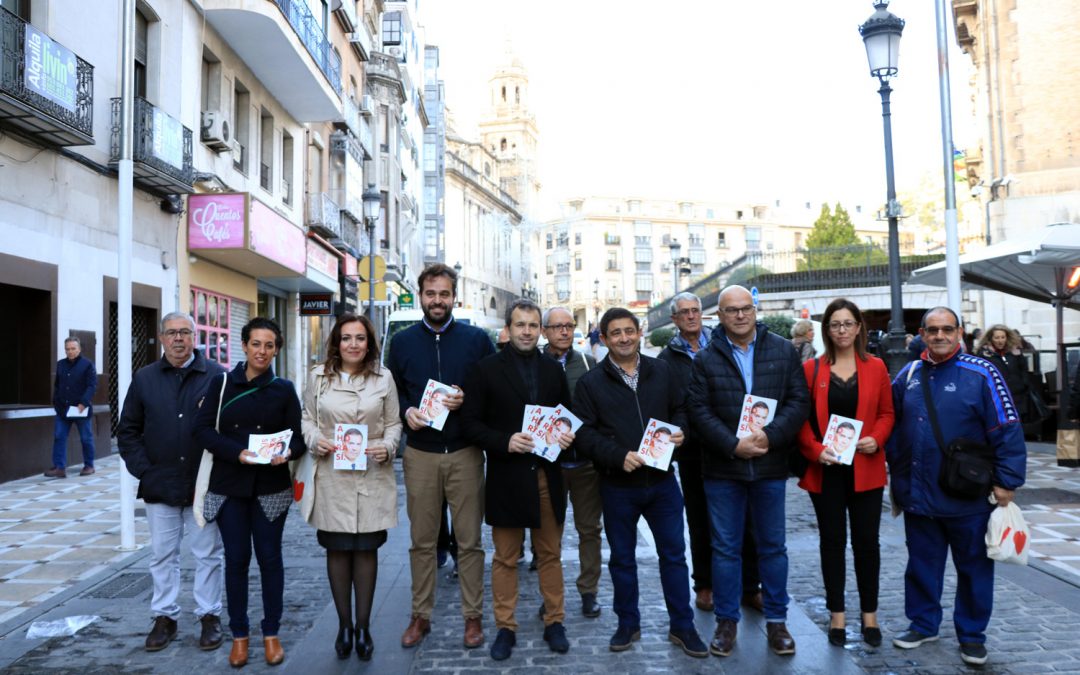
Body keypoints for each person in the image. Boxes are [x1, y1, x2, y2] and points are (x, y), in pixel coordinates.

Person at [887, 307, 1026, 667]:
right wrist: (897, 479)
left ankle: (972, 635)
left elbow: (1006, 427)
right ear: (922, 333)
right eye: (932, 330)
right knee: (921, 565)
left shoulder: (983, 373)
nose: (939, 335)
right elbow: (891, 422)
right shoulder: (910, 373)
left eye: (947, 329)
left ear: (959, 332)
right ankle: (923, 623)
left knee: (974, 569)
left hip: (967, 495)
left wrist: (1007, 480)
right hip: (919, 494)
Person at [574, 307, 709, 659]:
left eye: (629, 331)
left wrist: (681, 432)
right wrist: (616, 454)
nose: (623, 338)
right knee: (622, 559)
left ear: (639, 332)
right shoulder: (590, 382)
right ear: (603, 339)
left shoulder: (661, 370)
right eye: (615, 333)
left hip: (663, 483)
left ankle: (683, 625)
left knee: (674, 556)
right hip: (618, 485)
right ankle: (627, 623)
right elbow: (584, 434)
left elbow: (682, 408)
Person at [688, 285, 809, 657]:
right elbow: (698, 410)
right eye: (731, 310)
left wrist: (770, 436)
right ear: (719, 316)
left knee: (773, 548)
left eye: (746, 309)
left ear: (755, 311)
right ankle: (727, 622)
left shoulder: (783, 351)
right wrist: (731, 444)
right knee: (725, 548)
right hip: (723, 469)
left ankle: (777, 622)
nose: (740, 315)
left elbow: (798, 400)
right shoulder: (705, 360)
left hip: (770, 467)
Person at [386, 263, 494, 650]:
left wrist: (469, 400)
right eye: (431, 294)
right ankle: (421, 616)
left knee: (470, 542)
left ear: (454, 296)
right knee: (421, 542)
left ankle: (472, 618)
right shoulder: (401, 343)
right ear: (420, 296)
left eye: (444, 294)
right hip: (420, 455)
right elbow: (391, 391)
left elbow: (492, 392)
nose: (437, 300)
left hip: (466, 453)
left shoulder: (477, 340)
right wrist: (405, 410)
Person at [461, 298, 575, 661]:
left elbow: (566, 419)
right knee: (506, 558)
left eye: (532, 325)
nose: (526, 331)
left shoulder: (554, 371)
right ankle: (505, 627)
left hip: (546, 475)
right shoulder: (485, 370)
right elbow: (470, 424)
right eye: (520, 325)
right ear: (507, 330)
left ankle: (554, 621)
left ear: (540, 330)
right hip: (507, 476)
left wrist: (564, 434)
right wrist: (504, 441)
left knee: (550, 555)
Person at [193, 317, 305, 668]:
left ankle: (271, 632)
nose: (262, 351)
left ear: (276, 349)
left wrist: (288, 452)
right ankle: (239, 635)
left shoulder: (284, 389)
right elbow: (202, 431)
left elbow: (299, 437)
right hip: (230, 485)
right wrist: (236, 452)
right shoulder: (222, 383)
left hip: (271, 488)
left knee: (271, 560)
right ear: (244, 345)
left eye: (269, 345)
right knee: (237, 560)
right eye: (256, 343)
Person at [117, 312, 227, 652]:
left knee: (208, 553)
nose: (178, 339)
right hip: (160, 484)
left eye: (185, 332)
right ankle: (164, 616)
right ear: (162, 338)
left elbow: (230, 428)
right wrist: (145, 471)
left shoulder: (218, 377)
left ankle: (209, 615)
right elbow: (129, 430)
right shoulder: (145, 378)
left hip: (204, 485)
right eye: (171, 333)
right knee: (163, 555)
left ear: (195, 337)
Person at [301, 314, 401, 662]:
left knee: (367, 550)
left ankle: (363, 626)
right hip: (333, 474)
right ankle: (344, 625)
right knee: (338, 549)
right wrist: (316, 440)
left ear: (369, 343)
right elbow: (308, 419)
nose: (353, 344)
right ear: (336, 343)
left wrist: (387, 447)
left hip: (372, 472)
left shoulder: (383, 378)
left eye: (360, 338)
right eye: (346, 338)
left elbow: (393, 423)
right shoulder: (318, 377)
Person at [796, 298, 894, 648]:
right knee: (832, 543)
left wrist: (876, 439)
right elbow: (802, 421)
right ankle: (837, 614)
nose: (841, 330)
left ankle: (870, 615)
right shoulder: (812, 370)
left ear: (858, 328)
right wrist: (816, 450)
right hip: (827, 470)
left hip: (865, 468)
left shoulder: (877, 367)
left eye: (847, 323)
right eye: (834, 324)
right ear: (826, 330)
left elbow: (886, 413)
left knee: (868, 544)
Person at [657, 292, 762, 615]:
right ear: (674, 320)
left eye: (695, 311)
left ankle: (749, 586)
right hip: (692, 450)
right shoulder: (667, 358)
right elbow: (669, 403)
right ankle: (704, 584)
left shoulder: (722, 344)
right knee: (700, 519)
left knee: (745, 519)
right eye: (684, 313)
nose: (691, 317)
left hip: (731, 443)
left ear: (703, 315)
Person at [540, 306, 603, 620]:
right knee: (548, 534)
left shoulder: (588, 363)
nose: (564, 331)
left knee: (589, 530)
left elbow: (599, 410)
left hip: (584, 464)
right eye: (557, 326)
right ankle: (550, 594)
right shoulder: (533, 364)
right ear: (544, 331)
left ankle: (588, 591)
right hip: (548, 464)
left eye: (568, 326)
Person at [47, 336, 97, 478]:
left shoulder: (87, 364)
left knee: (86, 438)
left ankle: (89, 465)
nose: (70, 351)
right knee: (59, 436)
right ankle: (59, 468)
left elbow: (91, 386)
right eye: (67, 349)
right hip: (63, 409)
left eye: (73, 348)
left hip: (80, 409)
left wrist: (83, 402)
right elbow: (57, 384)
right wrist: (56, 402)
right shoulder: (60, 364)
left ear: (79, 349)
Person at [975, 325, 1033, 422]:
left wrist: (1024, 384)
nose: (1000, 340)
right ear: (991, 339)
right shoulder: (984, 355)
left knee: (1017, 425)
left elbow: (1023, 369)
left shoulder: (1015, 353)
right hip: (996, 398)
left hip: (1017, 397)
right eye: (997, 338)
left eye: (1003, 337)